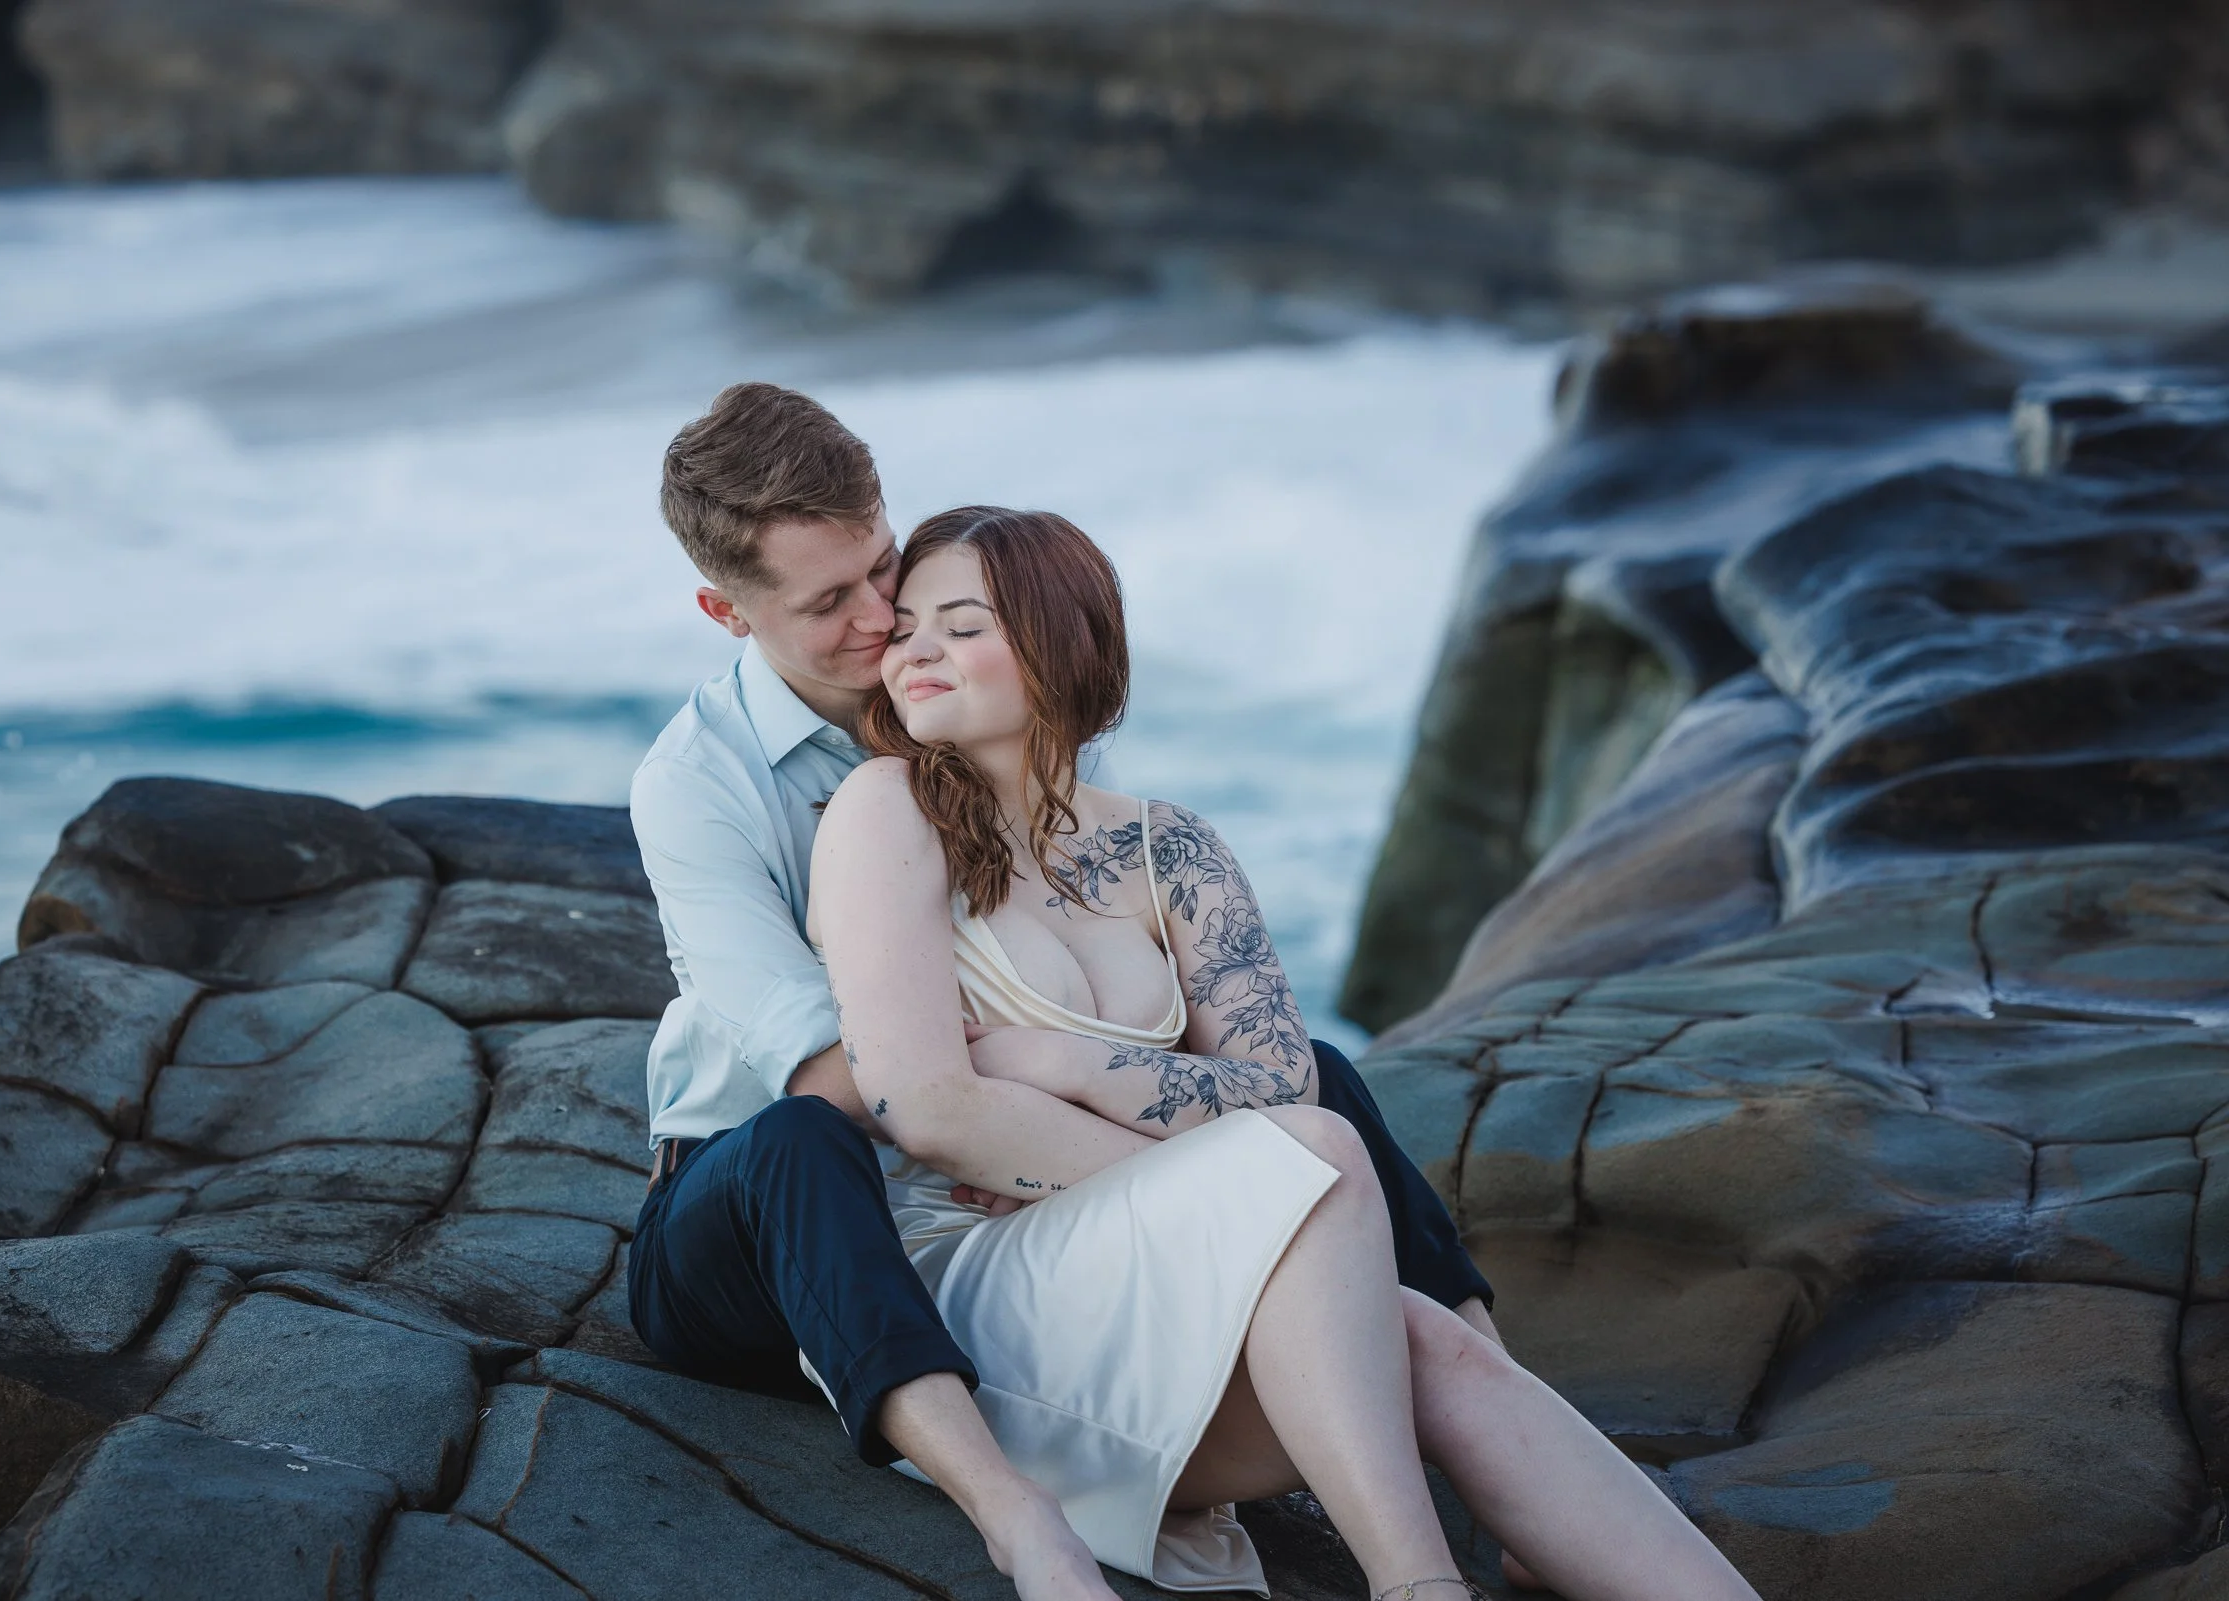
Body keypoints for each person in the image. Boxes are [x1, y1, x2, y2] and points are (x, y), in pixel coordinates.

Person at [623, 384, 1511, 1598]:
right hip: (759, 1216)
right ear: (725, 610)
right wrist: (1197, 1185)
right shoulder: (698, 785)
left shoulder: (953, 691)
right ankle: (1014, 1517)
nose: (884, 616)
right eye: (831, 602)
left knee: (1323, 1082)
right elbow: (845, 1069)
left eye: (883, 566)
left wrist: (1147, 1103)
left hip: (981, 1165)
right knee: (803, 1140)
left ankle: (1490, 1395)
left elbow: (1084, 948)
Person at [807, 505, 1764, 1600]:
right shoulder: (885, 811)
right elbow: (926, 1103)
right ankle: (1417, 1583)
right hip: (987, 1291)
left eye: (961, 623)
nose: (913, 648)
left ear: (1060, 643)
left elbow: (1275, 1081)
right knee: (1310, 1159)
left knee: (1432, 1340)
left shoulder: (1175, 849)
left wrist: (1065, 1066)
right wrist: (1236, 1183)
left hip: (1157, 1272)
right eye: (907, 624)